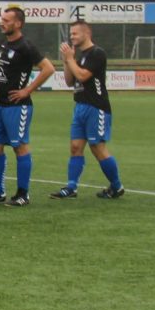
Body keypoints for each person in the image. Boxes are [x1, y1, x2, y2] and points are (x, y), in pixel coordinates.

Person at [0, 5, 54, 206]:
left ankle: (23, 194)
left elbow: (48, 69)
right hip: (1, 105)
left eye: (6, 20)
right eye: (1, 19)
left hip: (18, 106)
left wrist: (27, 90)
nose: (1, 23)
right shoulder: (5, 44)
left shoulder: (26, 46)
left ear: (18, 23)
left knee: (19, 147)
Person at [54, 20, 125, 199]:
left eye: (75, 33)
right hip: (80, 106)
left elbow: (82, 76)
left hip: (96, 107)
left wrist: (71, 59)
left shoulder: (97, 53)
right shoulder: (80, 57)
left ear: (86, 34)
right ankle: (71, 187)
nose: (71, 37)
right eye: (71, 34)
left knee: (97, 147)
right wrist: (66, 61)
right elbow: (70, 81)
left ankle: (117, 186)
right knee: (75, 147)